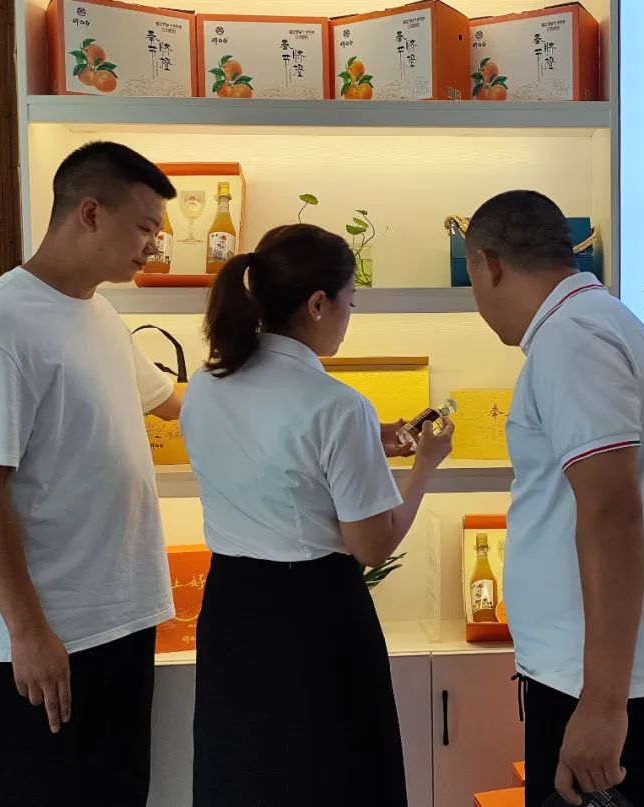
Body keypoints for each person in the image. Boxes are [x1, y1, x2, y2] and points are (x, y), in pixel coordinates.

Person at [180, 223, 453, 806]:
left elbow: (277, 462)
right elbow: (373, 546)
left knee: (245, 774)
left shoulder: (204, 385)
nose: (351, 314)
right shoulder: (338, 406)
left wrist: (370, 442)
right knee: (333, 778)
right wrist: (424, 465)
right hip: (314, 619)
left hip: (231, 606)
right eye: (351, 300)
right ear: (318, 303)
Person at [464, 191, 644, 807]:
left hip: (606, 687)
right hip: (607, 677)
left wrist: (602, 704)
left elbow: (611, 516)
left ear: (487, 265)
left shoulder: (572, 339)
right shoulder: (597, 323)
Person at [0, 141, 182, 806]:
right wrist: (27, 631)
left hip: (120, 618)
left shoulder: (99, 311)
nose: (152, 246)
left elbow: (176, 405)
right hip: (47, 637)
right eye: (144, 227)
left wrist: (330, 417)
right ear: (90, 213)